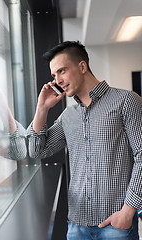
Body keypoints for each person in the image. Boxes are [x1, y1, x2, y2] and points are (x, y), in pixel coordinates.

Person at [27, 41, 142, 240]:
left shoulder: (126, 101)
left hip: (116, 225)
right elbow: (37, 151)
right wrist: (42, 108)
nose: (57, 80)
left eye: (62, 71)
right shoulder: (68, 116)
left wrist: (128, 211)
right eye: (54, 75)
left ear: (82, 66)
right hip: (77, 226)